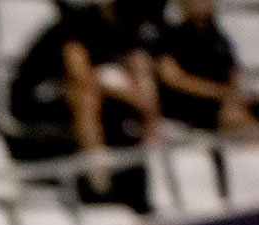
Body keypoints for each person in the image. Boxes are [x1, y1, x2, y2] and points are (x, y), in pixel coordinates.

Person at [10, 0, 162, 207]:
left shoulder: (130, 30)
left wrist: (145, 101)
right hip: (38, 97)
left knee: (140, 89)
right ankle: (98, 179)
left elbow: (139, 72)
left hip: (88, 99)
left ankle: (153, 173)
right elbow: (80, 76)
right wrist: (131, 97)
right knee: (86, 96)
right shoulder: (78, 22)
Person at [156, 0, 259, 142]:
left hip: (228, 100)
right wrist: (221, 93)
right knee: (242, 123)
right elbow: (172, 77)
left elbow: (232, 73)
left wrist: (237, 97)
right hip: (196, 108)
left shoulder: (219, 38)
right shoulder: (173, 36)